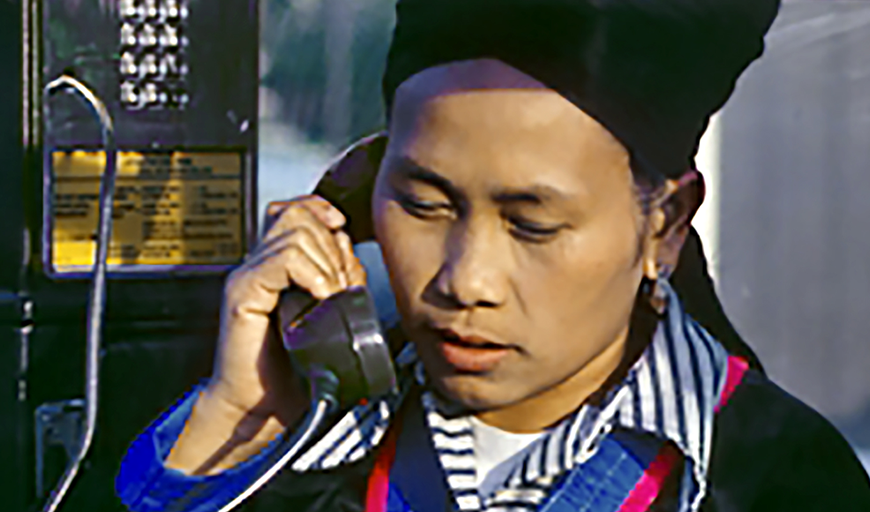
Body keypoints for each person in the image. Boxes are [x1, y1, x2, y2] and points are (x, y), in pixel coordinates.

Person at [116, 0, 870, 511]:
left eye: (533, 225)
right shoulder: (304, 446)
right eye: (423, 204)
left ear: (664, 225)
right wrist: (237, 419)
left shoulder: (774, 479)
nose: (463, 281)